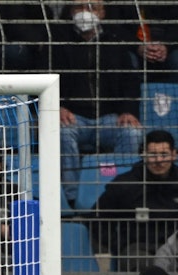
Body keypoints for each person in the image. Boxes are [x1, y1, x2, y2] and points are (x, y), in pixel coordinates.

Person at [51, 0, 144, 208]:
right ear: (70, 12)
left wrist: (128, 110)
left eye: (92, 7)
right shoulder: (56, 41)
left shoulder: (115, 41)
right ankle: (72, 197)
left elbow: (131, 81)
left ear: (103, 13)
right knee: (61, 133)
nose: (85, 13)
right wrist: (57, 106)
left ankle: (123, 192)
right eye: (79, 8)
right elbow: (45, 77)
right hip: (74, 118)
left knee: (132, 133)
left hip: (108, 118)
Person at [92, 129, 178, 272]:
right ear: (143, 155)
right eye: (152, 155)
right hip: (137, 249)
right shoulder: (124, 184)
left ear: (174, 155)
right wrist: (120, 245)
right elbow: (96, 218)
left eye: (164, 154)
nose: (158, 160)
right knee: (144, 268)